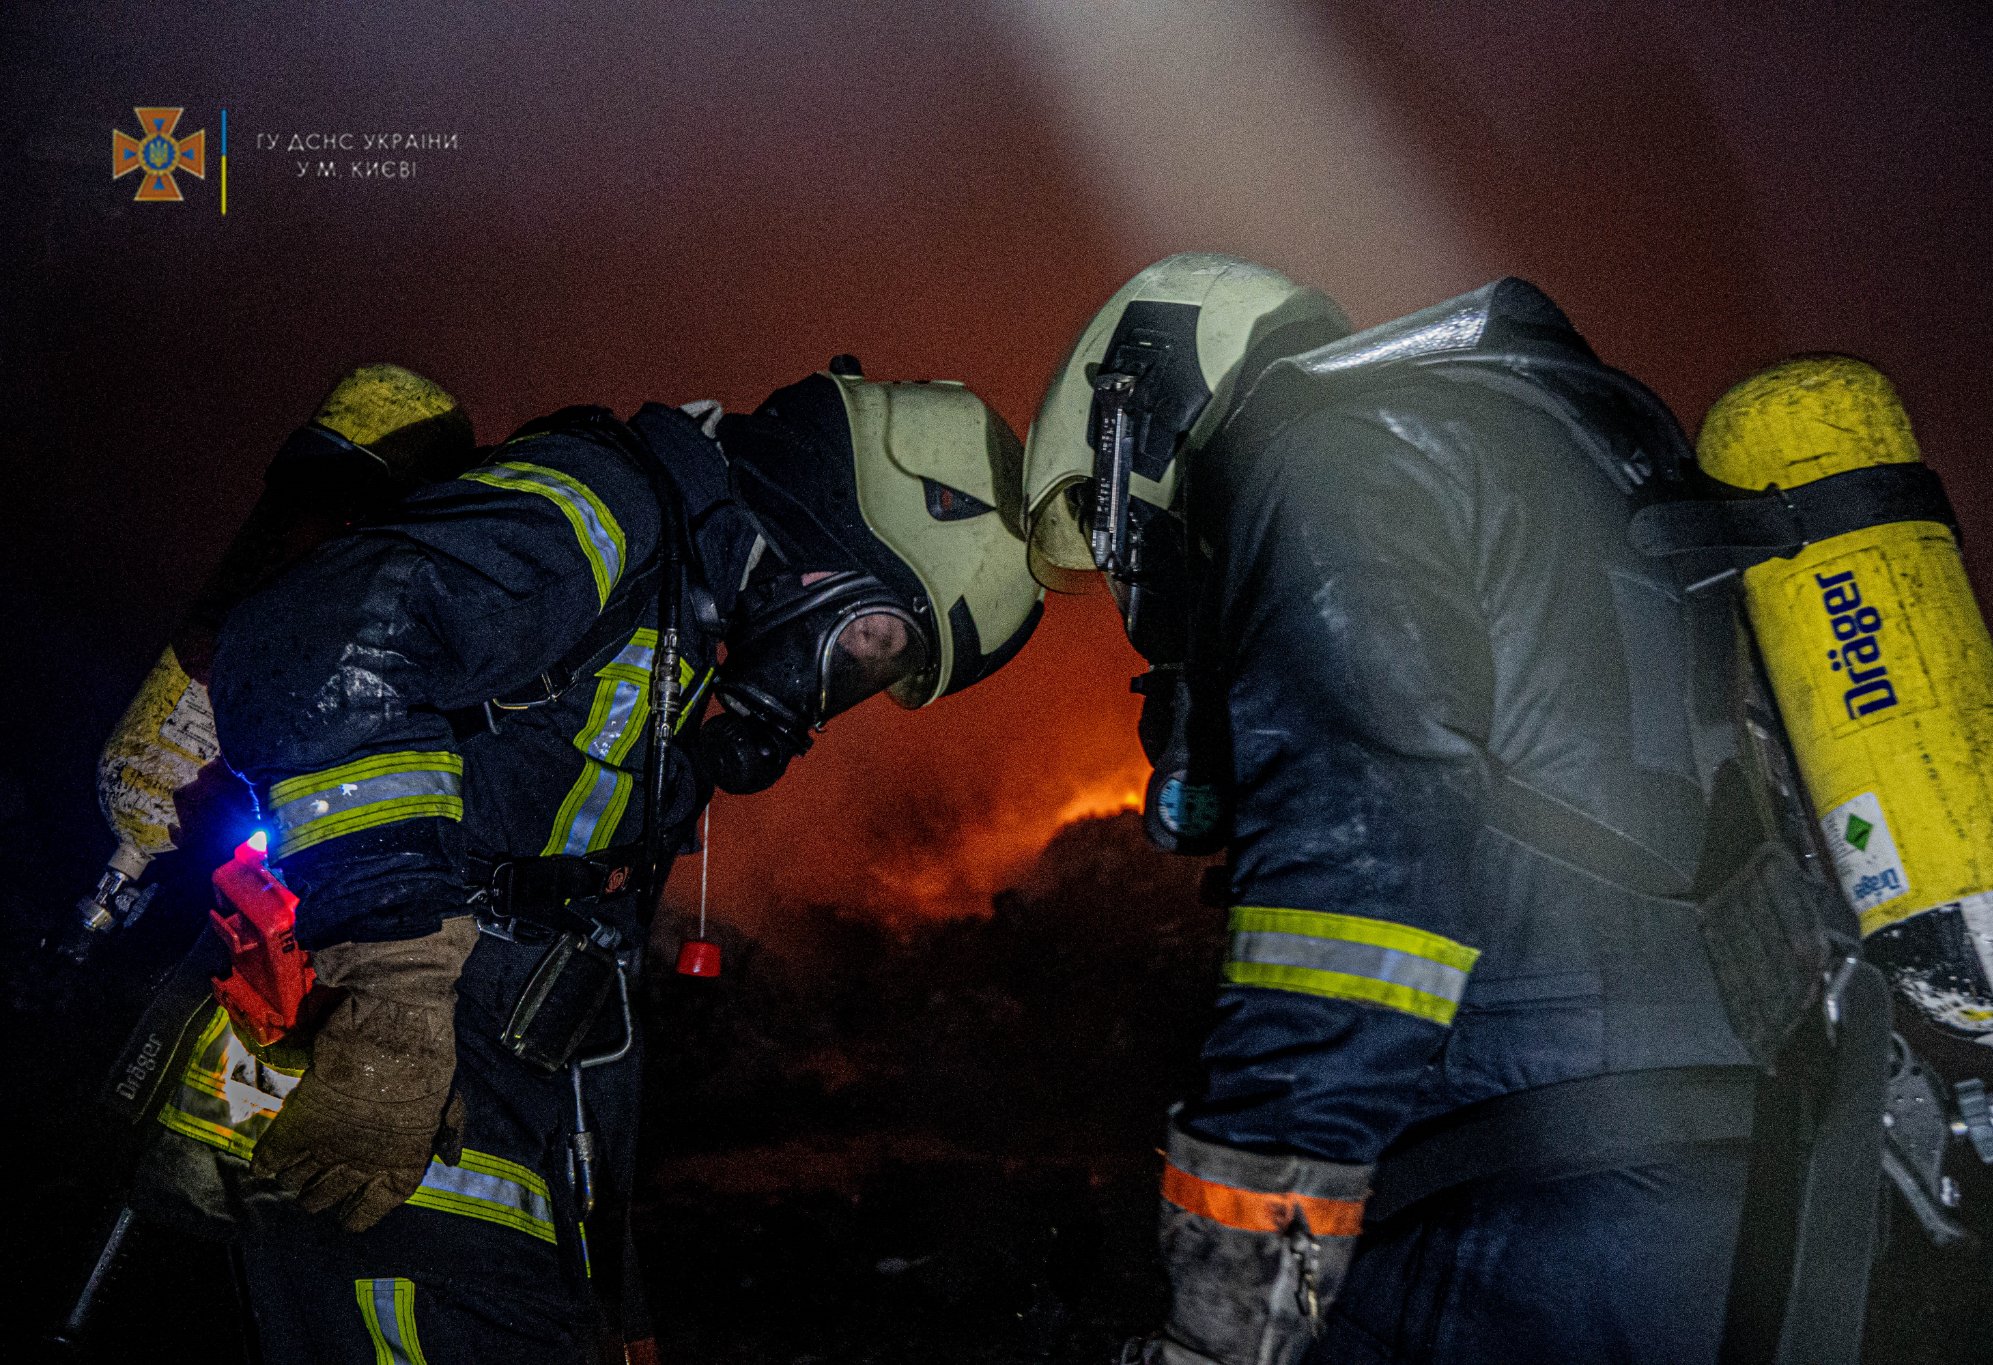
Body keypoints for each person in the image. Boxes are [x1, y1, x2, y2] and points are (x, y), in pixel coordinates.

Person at [1019, 255, 1864, 1364]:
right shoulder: (1565, 444)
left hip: (1519, 1190)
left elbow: (1351, 896)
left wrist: (1230, 1308)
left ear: (1140, 414)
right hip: (1743, 1181)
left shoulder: (1333, 459)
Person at [178, 356, 1042, 1361]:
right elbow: (321, 641)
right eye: (875, 641)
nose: (832, 691)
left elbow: (582, 982)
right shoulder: (611, 501)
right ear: (848, 525)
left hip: (489, 1140)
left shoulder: (675, 618)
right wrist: (395, 985)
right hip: (394, 1102)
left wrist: (613, 1308)